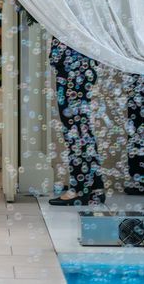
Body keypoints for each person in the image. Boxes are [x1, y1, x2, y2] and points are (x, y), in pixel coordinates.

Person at [48, 39, 106, 206]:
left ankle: (79, 189)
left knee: (75, 129)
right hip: (79, 65)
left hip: (72, 67)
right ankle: (95, 188)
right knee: (82, 128)